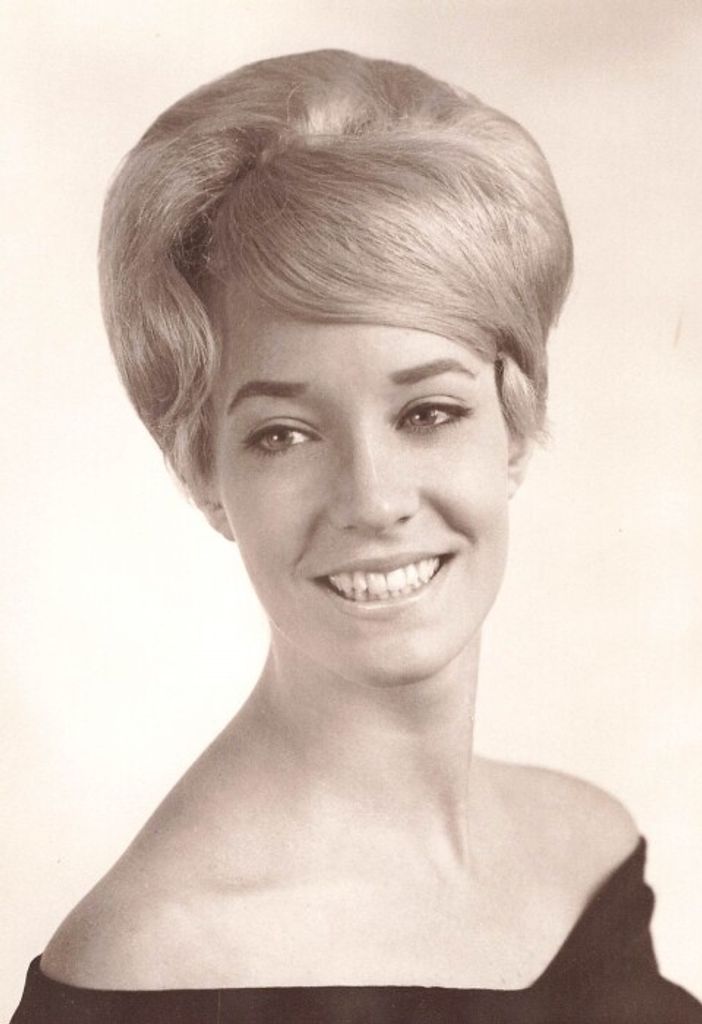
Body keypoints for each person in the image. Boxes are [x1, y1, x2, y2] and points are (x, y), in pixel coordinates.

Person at [11, 49, 701, 1023]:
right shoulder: (152, 963)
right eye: (284, 434)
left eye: (427, 413)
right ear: (203, 473)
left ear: (516, 422)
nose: (373, 499)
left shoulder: (591, 850)